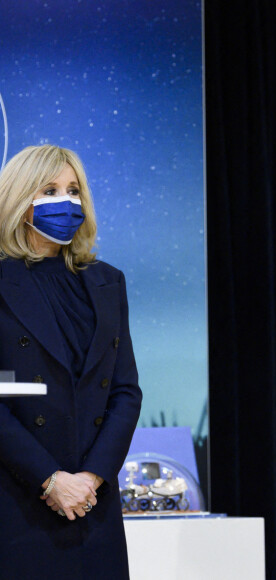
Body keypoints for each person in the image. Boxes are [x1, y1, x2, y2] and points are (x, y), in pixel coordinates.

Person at [0, 145, 142, 579]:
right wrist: (50, 479)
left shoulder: (106, 281)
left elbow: (124, 390)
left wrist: (92, 478)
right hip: (18, 496)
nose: (67, 202)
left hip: (91, 502)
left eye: (74, 190)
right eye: (51, 189)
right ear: (21, 200)